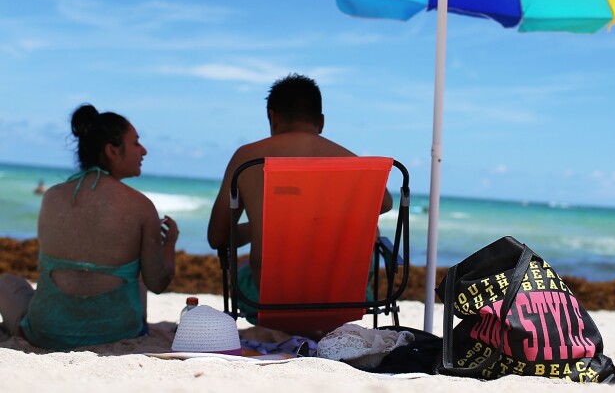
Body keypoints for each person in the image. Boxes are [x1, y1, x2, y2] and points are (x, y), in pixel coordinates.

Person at [207, 73, 392, 319]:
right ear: (321, 122)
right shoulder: (348, 161)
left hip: (266, 302)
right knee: (373, 232)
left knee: (242, 270)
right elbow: (386, 202)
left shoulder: (247, 157)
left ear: (272, 116)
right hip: (342, 301)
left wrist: (269, 225)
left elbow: (218, 237)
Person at [0, 104, 178, 349]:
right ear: (112, 151)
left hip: (46, 332)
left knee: (7, 283)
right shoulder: (141, 206)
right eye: (136, 143)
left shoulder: (52, 197)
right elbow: (158, 283)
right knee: (138, 282)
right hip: (118, 331)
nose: (144, 150)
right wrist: (170, 243)